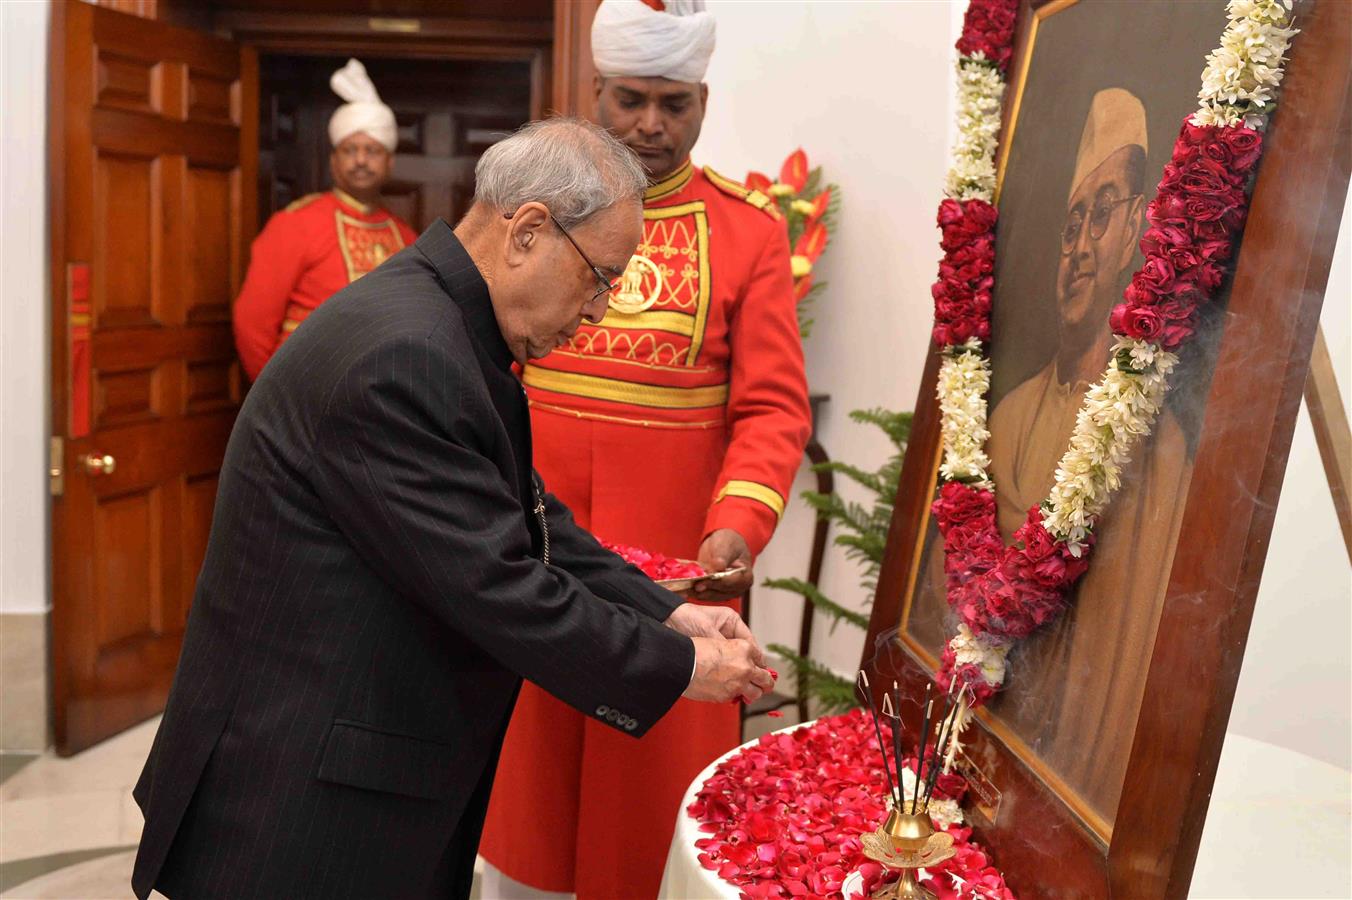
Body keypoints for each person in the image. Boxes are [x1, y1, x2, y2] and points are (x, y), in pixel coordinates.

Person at [129, 117, 775, 900]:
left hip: (343, 765)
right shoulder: (404, 356)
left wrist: (664, 614)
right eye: (601, 277)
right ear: (528, 231)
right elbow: (500, 588)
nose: (602, 311)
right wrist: (686, 669)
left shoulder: (439, 319)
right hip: (300, 802)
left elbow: (524, 510)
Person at [480, 2, 812, 896]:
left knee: (651, 809)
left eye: (676, 103)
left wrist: (738, 524)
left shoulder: (748, 232)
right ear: (596, 93)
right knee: (525, 802)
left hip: (670, 584)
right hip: (527, 562)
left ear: (703, 100)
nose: (651, 125)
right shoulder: (528, 217)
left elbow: (775, 409)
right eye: (631, 100)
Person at [983, 87, 1192, 814]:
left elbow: (1129, 651)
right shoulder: (1006, 419)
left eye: (1101, 214)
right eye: (1072, 221)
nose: (1077, 247)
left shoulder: (1151, 451)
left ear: (1137, 227)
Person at [232, 57, 418, 381]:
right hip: (304, 393)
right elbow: (252, 323)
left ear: (389, 162)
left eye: (372, 151)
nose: (361, 160)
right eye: (350, 150)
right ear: (333, 161)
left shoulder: (405, 238)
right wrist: (277, 398)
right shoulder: (295, 225)